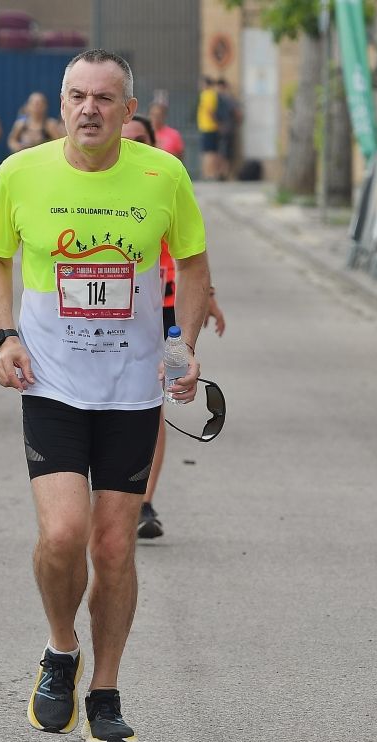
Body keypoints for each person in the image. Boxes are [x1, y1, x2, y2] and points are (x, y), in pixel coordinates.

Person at [0, 50, 210, 742]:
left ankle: (105, 689)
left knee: (113, 546)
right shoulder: (20, 172)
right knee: (61, 535)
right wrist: (5, 336)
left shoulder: (164, 175)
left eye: (105, 98)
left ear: (128, 111)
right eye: (77, 96)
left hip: (132, 389)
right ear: (60, 105)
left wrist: (182, 345)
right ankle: (62, 648)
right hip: (51, 381)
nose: (90, 109)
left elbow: (194, 264)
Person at [117, 115, 226, 540]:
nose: (133, 145)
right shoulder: (95, 187)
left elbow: (191, 255)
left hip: (165, 313)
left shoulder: (163, 182)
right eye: (126, 139)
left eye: (141, 139)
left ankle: (143, 501)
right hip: (114, 315)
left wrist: (207, 296)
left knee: (154, 404)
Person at [214, 79, 240, 180]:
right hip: (225, 129)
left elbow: (236, 113)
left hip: (226, 129)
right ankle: (222, 173)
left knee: (225, 152)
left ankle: (224, 173)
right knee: (223, 152)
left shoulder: (225, 99)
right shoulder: (222, 98)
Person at [196, 76, 221, 181]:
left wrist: (217, 123)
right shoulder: (208, 94)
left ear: (206, 84)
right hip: (207, 127)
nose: (200, 86)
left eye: (202, 83)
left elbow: (210, 111)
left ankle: (209, 174)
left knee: (209, 152)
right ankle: (209, 173)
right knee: (210, 151)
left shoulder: (208, 95)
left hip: (209, 127)